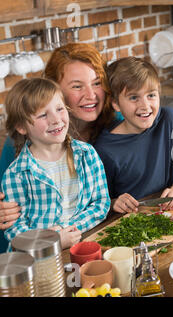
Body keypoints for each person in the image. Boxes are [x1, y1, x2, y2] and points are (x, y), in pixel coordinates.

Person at [0, 43, 173, 252]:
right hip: (26, 249)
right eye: (77, 86)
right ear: (53, 89)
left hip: (86, 238)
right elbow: (8, 196)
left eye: (96, 83)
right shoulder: (21, 144)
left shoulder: (120, 121)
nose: (91, 95)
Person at [2, 78, 110, 250]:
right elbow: (14, 229)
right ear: (22, 127)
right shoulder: (16, 174)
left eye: (59, 109)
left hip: (82, 243)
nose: (55, 119)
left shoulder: (87, 154)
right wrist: (50, 241)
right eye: (43, 115)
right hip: (36, 258)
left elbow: (101, 203)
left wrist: (66, 231)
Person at [93, 56, 173, 212]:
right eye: (134, 97)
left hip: (165, 213)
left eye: (151, 95)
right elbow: (99, 201)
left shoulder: (170, 120)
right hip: (129, 221)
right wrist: (114, 203)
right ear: (116, 103)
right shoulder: (104, 149)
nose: (145, 106)